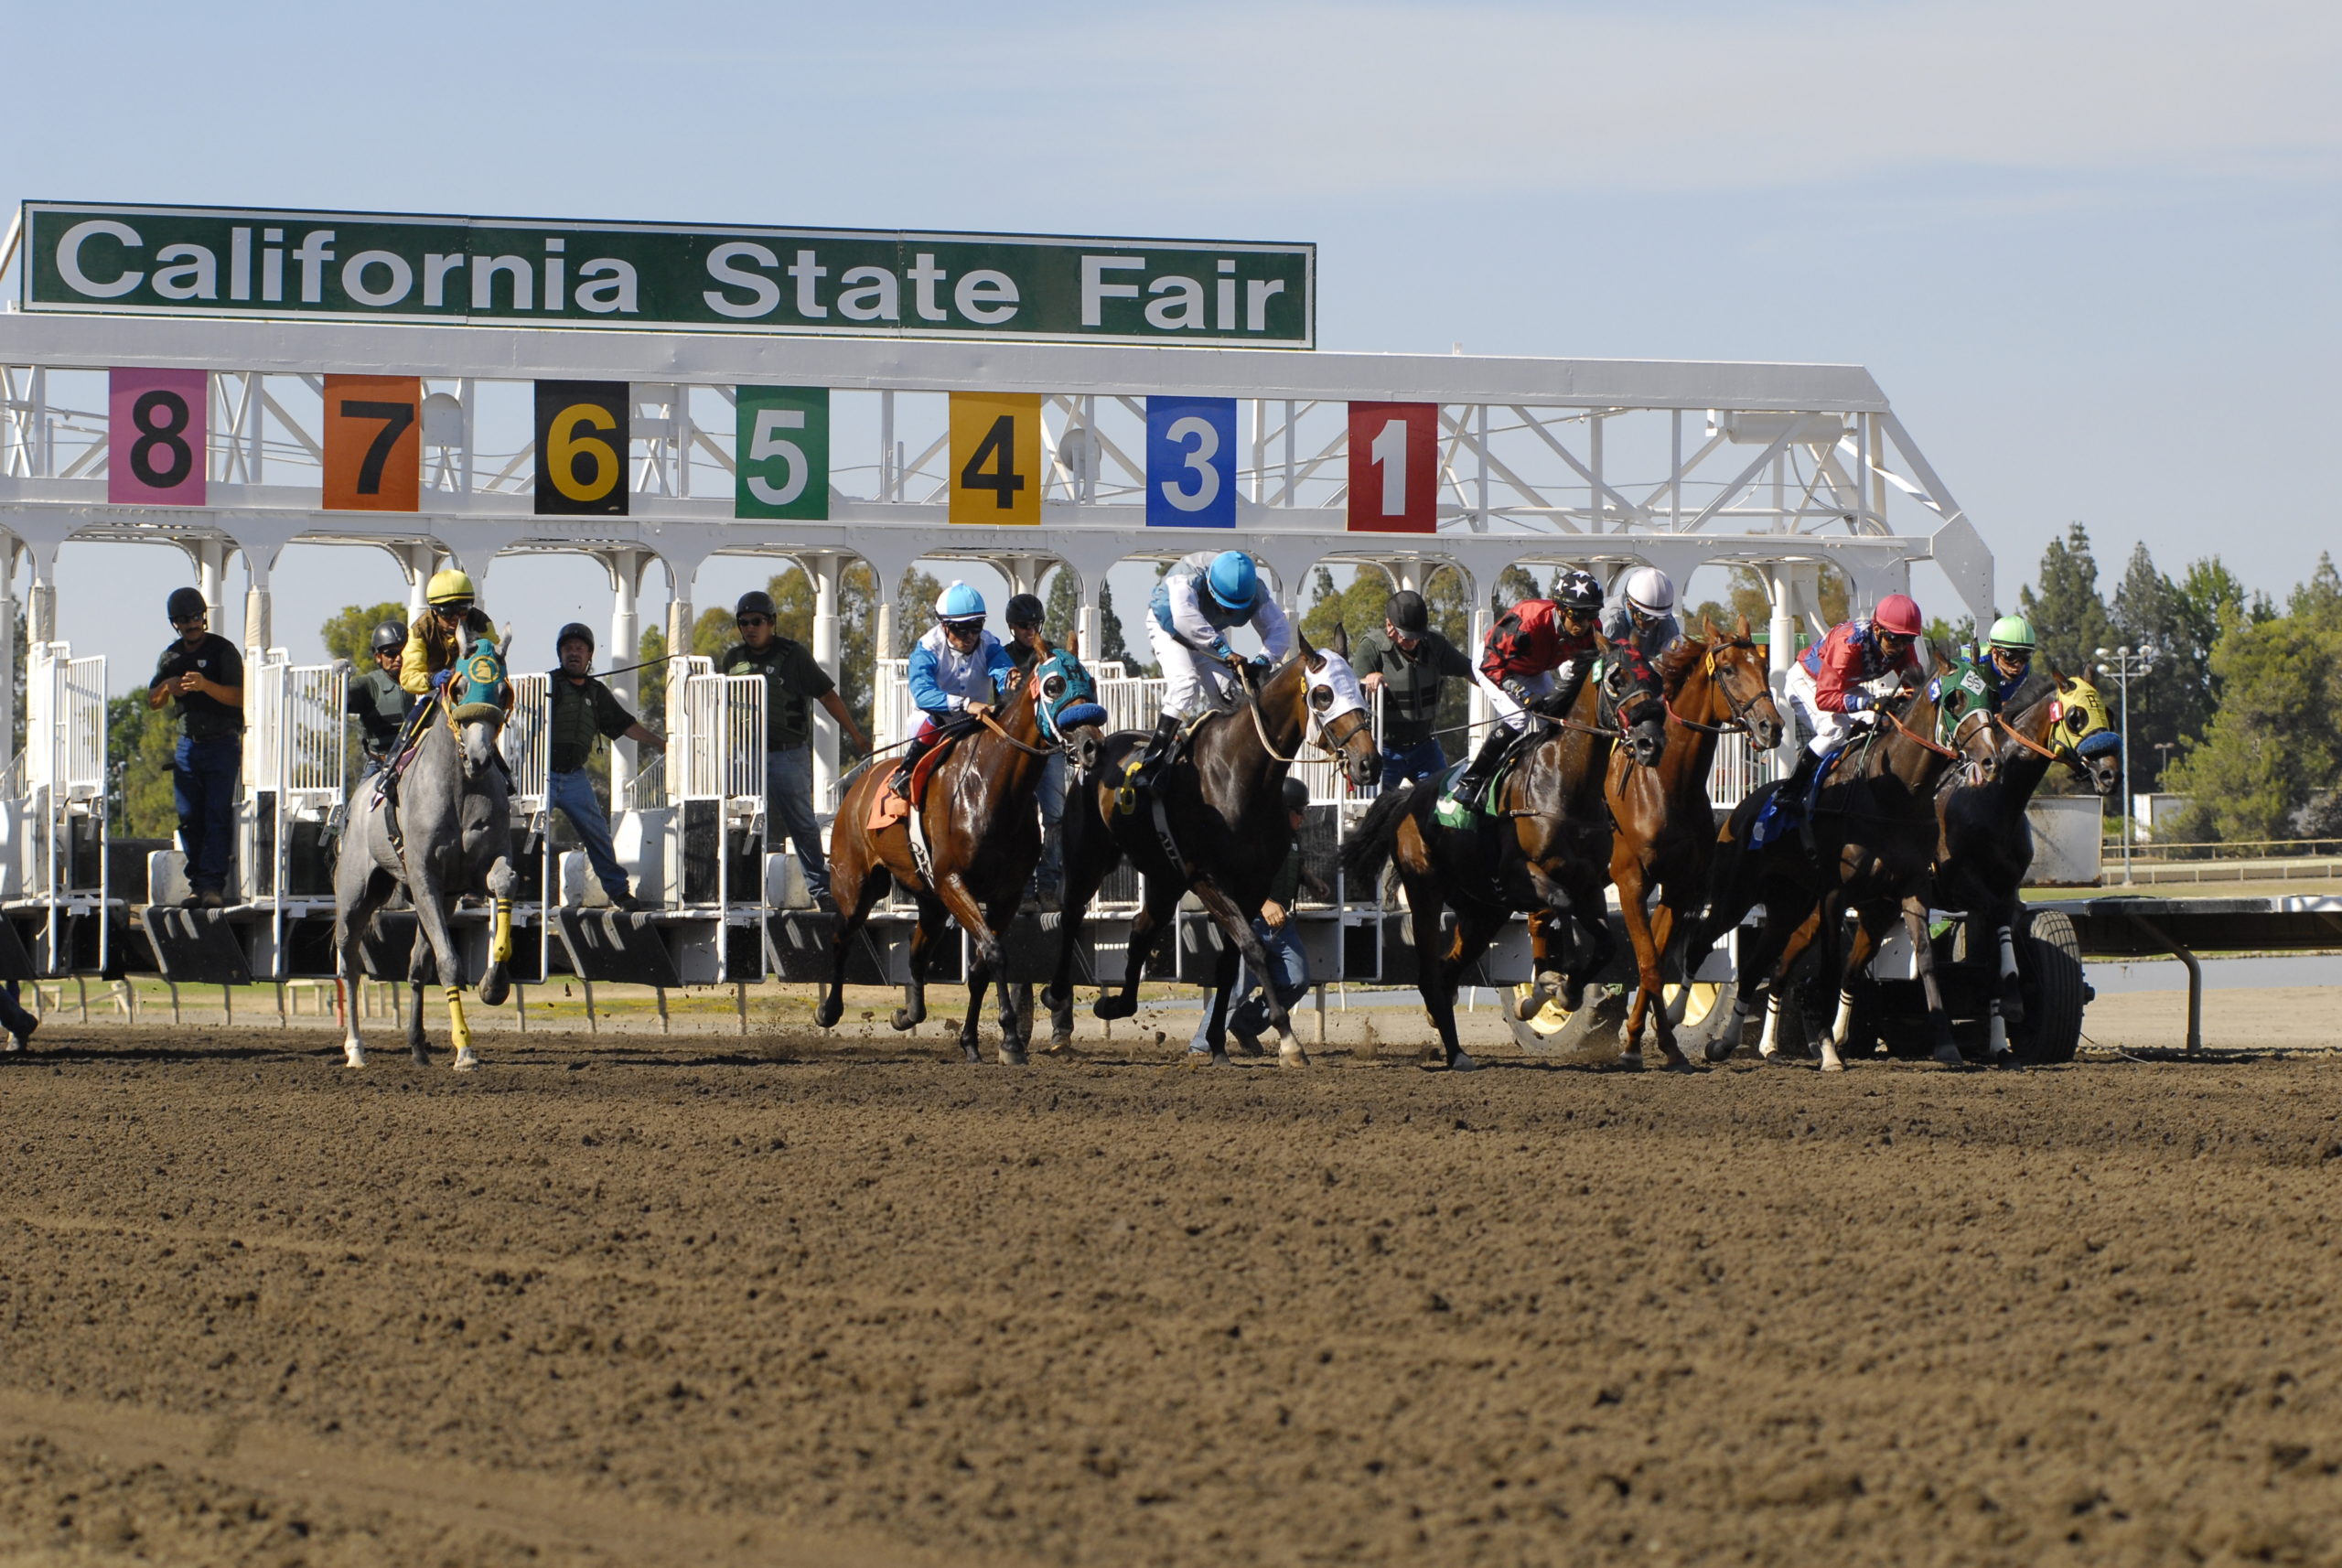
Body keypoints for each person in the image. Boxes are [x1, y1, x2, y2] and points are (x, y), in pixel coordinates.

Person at [717, 589, 868, 912]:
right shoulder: (732, 660)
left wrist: (855, 734)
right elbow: (715, 701)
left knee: (802, 824)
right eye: (743, 622)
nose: (750, 628)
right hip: (746, 756)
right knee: (740, 822)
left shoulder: (793, 655)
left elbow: (827, 694)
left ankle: (820, 889)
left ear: (771, 622)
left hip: (789, 755)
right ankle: (738, 889)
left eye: (757, 621)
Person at [1132, 550, 1293, 788]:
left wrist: (1262, 661)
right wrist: (1224, 650)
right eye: (1225, 606)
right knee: (1186, 684)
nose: (1229, 613)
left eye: (1234, 609)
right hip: (1169, 628)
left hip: (1206, 634)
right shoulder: (1186, 579)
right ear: (1210, 586)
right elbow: (1185, 620)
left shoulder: (1255, 590)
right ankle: (1150, 765)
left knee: (1230, 695)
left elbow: (1280, 630)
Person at [1451, 570, 1605, 811]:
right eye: (1577, 615)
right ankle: (1471, 781)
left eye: (1591, 615)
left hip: (1533, 669)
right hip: (1494, 663)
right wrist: (1522, 693)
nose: (1583, 624)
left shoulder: (1592, 630)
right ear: (1562, 609)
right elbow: (1490, 662)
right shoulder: (1529, 619)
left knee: (1555, 721)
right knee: (1518, 717)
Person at [1190, 777, 1318, 1058]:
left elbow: (1291, 865)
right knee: (1237, 988)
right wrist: (1265, 903)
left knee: (1297, 980)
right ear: (1283, 811)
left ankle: (1246, 1024)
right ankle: (1201, 1046)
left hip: (1283, 928)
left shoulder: (1290, 840)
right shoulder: (1254, 838)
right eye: (1298, 810)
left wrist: (1310, 880)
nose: (1303, 816)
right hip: (1249, 924)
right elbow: (1241, 879)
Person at [546, 623, 667, 912]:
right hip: (544, 776)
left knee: (598, 833)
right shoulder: (548, 684)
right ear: (560, 653)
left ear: (589, 656)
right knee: (527, 832)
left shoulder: (597, 692)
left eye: (579, 648)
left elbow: (626, 725)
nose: (573, 653)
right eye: (568, 648)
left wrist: (662, 743)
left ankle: (619, 892)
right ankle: (509, 890)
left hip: (575, 777)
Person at [1777, 591, 1927, 803]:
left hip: (1845, 685)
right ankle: (1791, 788)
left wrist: (1904, 703)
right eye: (1894, 639)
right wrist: (1870, 702)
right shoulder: (1848, 643)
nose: (1901, 647)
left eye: (1908, 640)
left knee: (1884, 722)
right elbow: (1825, 698)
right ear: (1877, 629)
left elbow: (1915, 689)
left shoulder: (1902, 647)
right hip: (1809, 682)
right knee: (1835, 730)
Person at [148, 586, 244, 910]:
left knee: (217, 814)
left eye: (194, 618)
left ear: (203, 617)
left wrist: (205, 686)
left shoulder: (223, 651)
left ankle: (212, 886)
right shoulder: (171, 656)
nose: (190, 624)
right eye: (182, 620)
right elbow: (153, 701)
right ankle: (197, 884)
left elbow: (240, 696)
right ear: (174, 623)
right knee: (189, 817)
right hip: (188, 745)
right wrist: (168, 686)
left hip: (222, 743)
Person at [888, 582, 1015, 801]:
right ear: (944, 625)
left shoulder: (989, 643)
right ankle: (905, 772)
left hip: (978, 718)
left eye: (976, 626)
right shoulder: (927, 648)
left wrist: (1009, 680)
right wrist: (966, 704)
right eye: (960, 629)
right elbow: (923, 694)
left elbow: (1001, 669)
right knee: (936, 718)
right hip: (934, 721)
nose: (969, 636)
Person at [1350, 589, 1474, 789]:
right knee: (1378, 809)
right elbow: (1352, 691)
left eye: (1417, 636)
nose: (1413, 641)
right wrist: (1368, 680)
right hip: (1384, 750)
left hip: (1425, 748)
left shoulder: (1435, 645)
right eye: (1407, 636)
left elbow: (1470, 670)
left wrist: (1502, 688)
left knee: (1445, 799)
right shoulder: (1371, 647)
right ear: (1389, 625)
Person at [1002, 592, 1068, 903]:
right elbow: (1001, 705)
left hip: (1049, 749)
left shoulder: (1053, 655)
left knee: (1055, 816)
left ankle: (1049, 885)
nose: (1031, 631)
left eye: (1036, 625)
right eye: (1024, 625)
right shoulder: (1001, 659)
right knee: (1019, 817)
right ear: (1012, 627)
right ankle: (1024, 887)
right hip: (1016, 752)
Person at [345, 618, 413, 776]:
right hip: (379, 765)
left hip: (416, 761)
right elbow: (341, 700)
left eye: (404, 652)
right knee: (359, 800)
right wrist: (340, 680)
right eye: (391, 653)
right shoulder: (369, 683)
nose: (399, 659)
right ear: (378, 657)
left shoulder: (423, 679)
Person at [1602, 566, 1681, 662]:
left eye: (1657, 618)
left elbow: (1674, 662)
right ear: (1629, 605)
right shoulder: (1611, 623)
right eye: (1644, 616)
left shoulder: (1666, 621)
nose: (1651, 623)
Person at [1978, 614, 2037, 706]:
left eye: (2025, 657)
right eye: (2010, 657)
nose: (2018, 664)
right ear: (1994, 653)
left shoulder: (2027, 670)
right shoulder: (1976, 666)